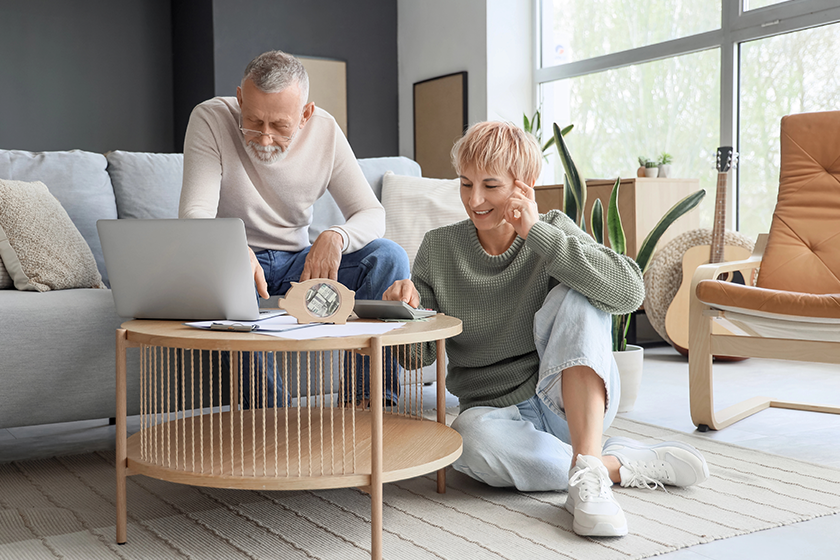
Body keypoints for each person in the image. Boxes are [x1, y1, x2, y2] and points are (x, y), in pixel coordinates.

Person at [383, 121, 709, 537]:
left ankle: (587, 472)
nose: (475, 200)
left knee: (578, 296)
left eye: (490, 186)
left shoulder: (553, 228)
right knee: (465, 442)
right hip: (495, 415)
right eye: (465, 184)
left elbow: (628, 292)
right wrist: (404, 315)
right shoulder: (439, 247)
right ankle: (604, 465)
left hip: (569, 399)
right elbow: (418, 359)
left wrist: (536, 233)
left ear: (526, 185)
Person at [179, 50, 409, 407]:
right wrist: (232, 248)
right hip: (237, 264)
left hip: (296, 268)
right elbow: (195, 214)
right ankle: (276, 418)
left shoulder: (326, 131)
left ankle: (367, 403)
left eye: (279, 126)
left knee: (387, 256)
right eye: (253, 121)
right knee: (223, 275)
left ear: (305, 114)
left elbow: (370, 212)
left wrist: (336, 236)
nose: (264, 138)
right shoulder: (210, 118)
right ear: (240, 98)